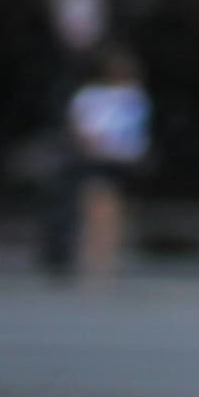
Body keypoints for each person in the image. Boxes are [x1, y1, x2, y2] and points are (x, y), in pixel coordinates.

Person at [64, 50, 150, 283]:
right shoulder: (90, 96)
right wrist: (91, 141)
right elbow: (79, 127)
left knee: (113, 214)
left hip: (120, 161)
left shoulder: (133, 97)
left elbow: (136, 131)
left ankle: (106, 262)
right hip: (96, 160)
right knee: (94, 210)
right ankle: (91, 262)